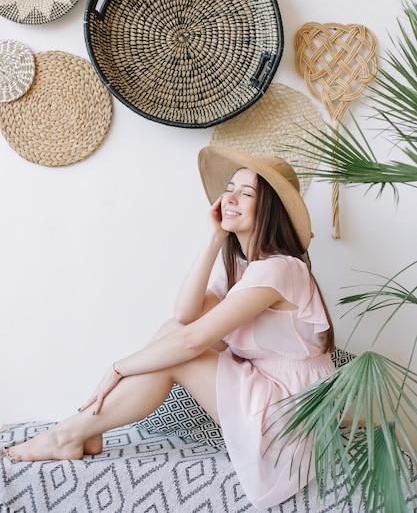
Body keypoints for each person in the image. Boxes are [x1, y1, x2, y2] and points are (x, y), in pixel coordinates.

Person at [3, 145, 335, 510]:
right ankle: (83, 429)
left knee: (181, 354)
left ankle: (69, 433)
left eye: (247, 192)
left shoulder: (280, 269)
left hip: (293, 416)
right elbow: (184, 315)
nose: (230, 198)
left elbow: (193, 342)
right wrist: (213, 239)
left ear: (269, 208)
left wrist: (118, 367)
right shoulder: (244, 270)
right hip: (270, 391)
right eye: (229, 187)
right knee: (170, 329)